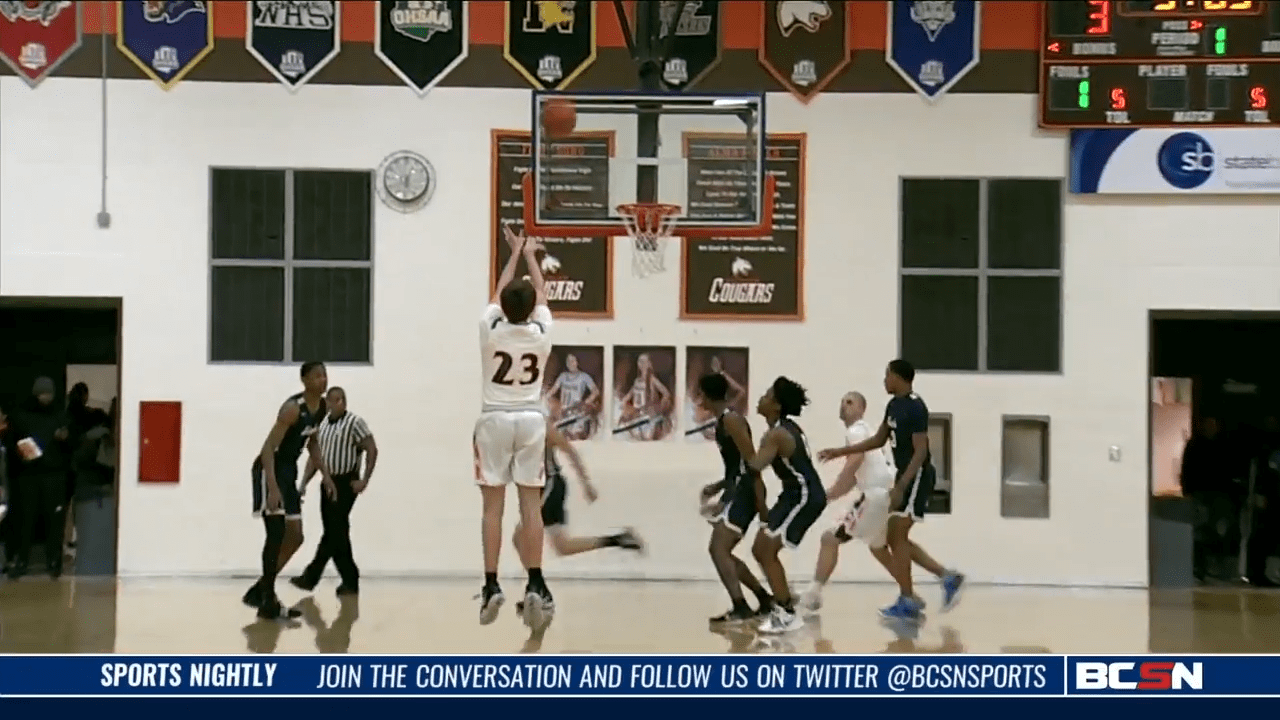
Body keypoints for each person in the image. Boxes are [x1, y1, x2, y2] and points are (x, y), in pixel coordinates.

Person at [818, 360, 965, 622]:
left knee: (896, 537)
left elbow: (920, 451)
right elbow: (877, 440)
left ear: (898, 377)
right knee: (897, 540)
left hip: (917, 475)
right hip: (906, 476)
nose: (884, 380)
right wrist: (839, 451)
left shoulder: (915, 405)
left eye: (887, 375)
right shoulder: (893, 406)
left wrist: (902, 485)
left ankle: (910, 599)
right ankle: (946, 578)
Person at [475, 225, 553, 628]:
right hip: (530, 419)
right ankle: (536, 582)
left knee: (493, 508)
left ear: (503, 308)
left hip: (494, 419)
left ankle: (491, 584)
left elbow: (499, 293)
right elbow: (540, 294)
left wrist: (513, 253)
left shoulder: (490, 329)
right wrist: (530, 257)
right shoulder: (541, 332)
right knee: (531, 505)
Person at [511, 416, 645, 598]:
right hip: (540, 489)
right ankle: (618, 539)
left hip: (551, 486)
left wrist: (586, 485)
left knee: (520, 536)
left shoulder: (542, 428)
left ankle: (537, 589)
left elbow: (570, 452)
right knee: (562, 547)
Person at [243, 361, 334, 620]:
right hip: (268, 469)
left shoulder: (322, 408)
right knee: (276, 533)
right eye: (317, 376)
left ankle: (260, 590)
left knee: (296, 536)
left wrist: (325, 476)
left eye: (325, 375)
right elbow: (267, 448)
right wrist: (272, 487)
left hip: (288, 471)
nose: (323, 380)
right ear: (304, 380)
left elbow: (312, 443)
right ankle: (267, 600)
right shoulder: (293, 408)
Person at [798, 392, 900, 614]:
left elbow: (855, 461)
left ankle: (813, 595)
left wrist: (825, 495)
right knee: (878, 548)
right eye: (842, 402)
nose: (844, 406)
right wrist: (827, 496)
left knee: (830, 538)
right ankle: (910, 595)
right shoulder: (867, 433)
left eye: (850, 402)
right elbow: (853, 479)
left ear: (862, 408)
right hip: (883, 496)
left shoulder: (856, 431)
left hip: (874, 498)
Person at [747, 376, 828, 634]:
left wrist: (738, 441)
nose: (761, 398)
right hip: (792, 493)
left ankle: (786, 613)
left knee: (767, 550)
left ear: (777, 406)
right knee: (760, 549)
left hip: (805, 495)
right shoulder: (781, 429)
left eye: (767, 395)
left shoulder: (778, 434)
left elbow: (754, 467)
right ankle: (785, 598)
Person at [697, 373, 774, 624]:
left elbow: (753, 462)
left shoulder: (731, 420)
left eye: (700, 395)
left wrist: (759, 502)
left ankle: (741, 607)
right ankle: (764, 599)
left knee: (718, 549)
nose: (699, 400)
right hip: (740, 490)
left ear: (707, 397)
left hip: (746, 492)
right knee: (723, 551)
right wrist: (719, 486)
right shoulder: (724, 421)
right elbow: (738, 466)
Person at [292, 387, 378, 596]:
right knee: (337, 532)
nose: (339, 403)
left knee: (334, 530)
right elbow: (316, 458)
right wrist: (303, 483)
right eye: (335, 400)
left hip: (346, 482)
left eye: (342, 400)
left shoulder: (355, 423)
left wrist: (364, 479)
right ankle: (349, 579)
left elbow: (371, 448)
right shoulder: (322, 424)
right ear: (328, 403)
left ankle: (311, 576)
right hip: (328, 482)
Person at [8, 377, 72, 579]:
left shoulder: (60, 416)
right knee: (26, 519)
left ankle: (54, 562)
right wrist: (21, 451)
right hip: (29, 475)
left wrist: (65, 438)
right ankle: (22, 560)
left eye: (49, 393)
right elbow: (12, 442)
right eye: (43, 393)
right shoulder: (22, 416)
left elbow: (70, 444)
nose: (46, 397)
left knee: (54, 520)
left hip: (53, 474)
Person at [615, 353, 672, 441]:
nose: (641, 364)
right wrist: (623, 402)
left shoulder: (653, 380)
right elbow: (630, 394)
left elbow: (666, 394)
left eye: (644, 361)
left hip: (651, 416)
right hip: (639, 415)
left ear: (649, 364)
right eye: (640, 361)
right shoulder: (637, 381)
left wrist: (659, 407)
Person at [545, 353, 599, 440]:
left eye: (573, 361)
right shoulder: (563, 376)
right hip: (564, 412)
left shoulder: (584, 377)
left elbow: (595, 391)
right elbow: (553, 390)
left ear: (577, 362)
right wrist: (545, 397)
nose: (570, 363)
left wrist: (585, 402)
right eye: (568, 361)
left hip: (576, 411)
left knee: (575, 437)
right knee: (563, 437)